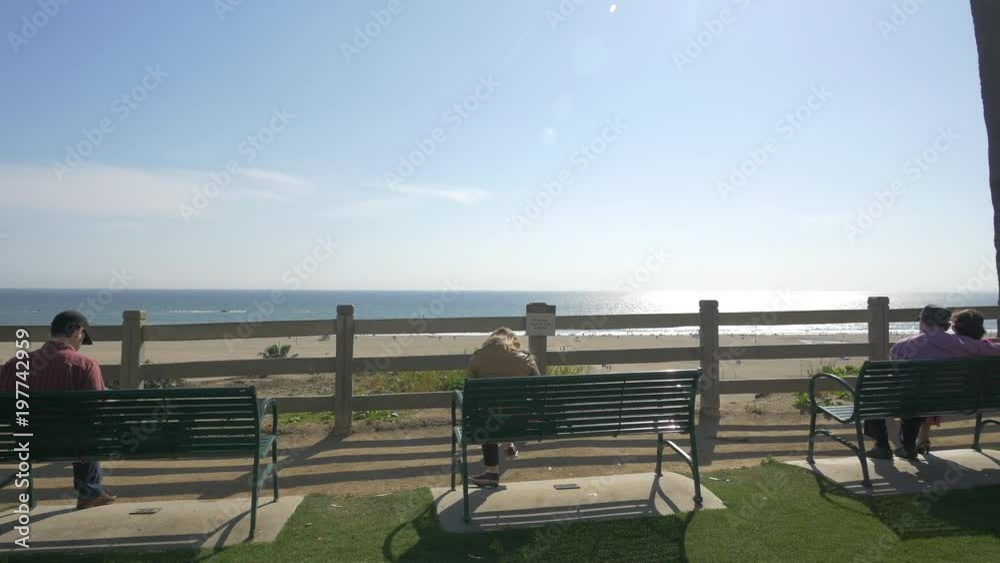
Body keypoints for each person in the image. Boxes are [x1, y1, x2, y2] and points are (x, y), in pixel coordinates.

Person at [0, 311, 117, 509]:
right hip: (72, 445)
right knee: (86, 430)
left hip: (26, 444)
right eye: (82, 336)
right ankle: (89, 493)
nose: (80, 343)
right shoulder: (85, 365)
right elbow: (99, 410)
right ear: (77, 331)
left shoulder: (14, 365)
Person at [863, 305, 1000, 460]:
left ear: (922, 322)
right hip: (948, 401)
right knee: (918, 397)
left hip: (910, 400)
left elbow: (896, 375)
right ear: (947, 326)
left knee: (875, 395)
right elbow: (993, 349)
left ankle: (882, 445)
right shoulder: (963, 344)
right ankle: (907, 446)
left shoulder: (902, 346)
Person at [466, 327, 540, 487]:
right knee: (507, 409)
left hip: (488, 424)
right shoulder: (526, 359)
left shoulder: (477, 358)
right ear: (513, 341)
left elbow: (470, 394)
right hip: (520, 422)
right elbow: (538, 390)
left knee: (487, 412)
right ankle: (508, 443)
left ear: (491, 340)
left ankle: (492, 472)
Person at [913, 309, 990, 452]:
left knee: (934, 388)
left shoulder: (949, 350)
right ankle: (923, 437)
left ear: (954, 328)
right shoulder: (987, 349)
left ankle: (922, 437)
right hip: (980, 399)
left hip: (943, 398)